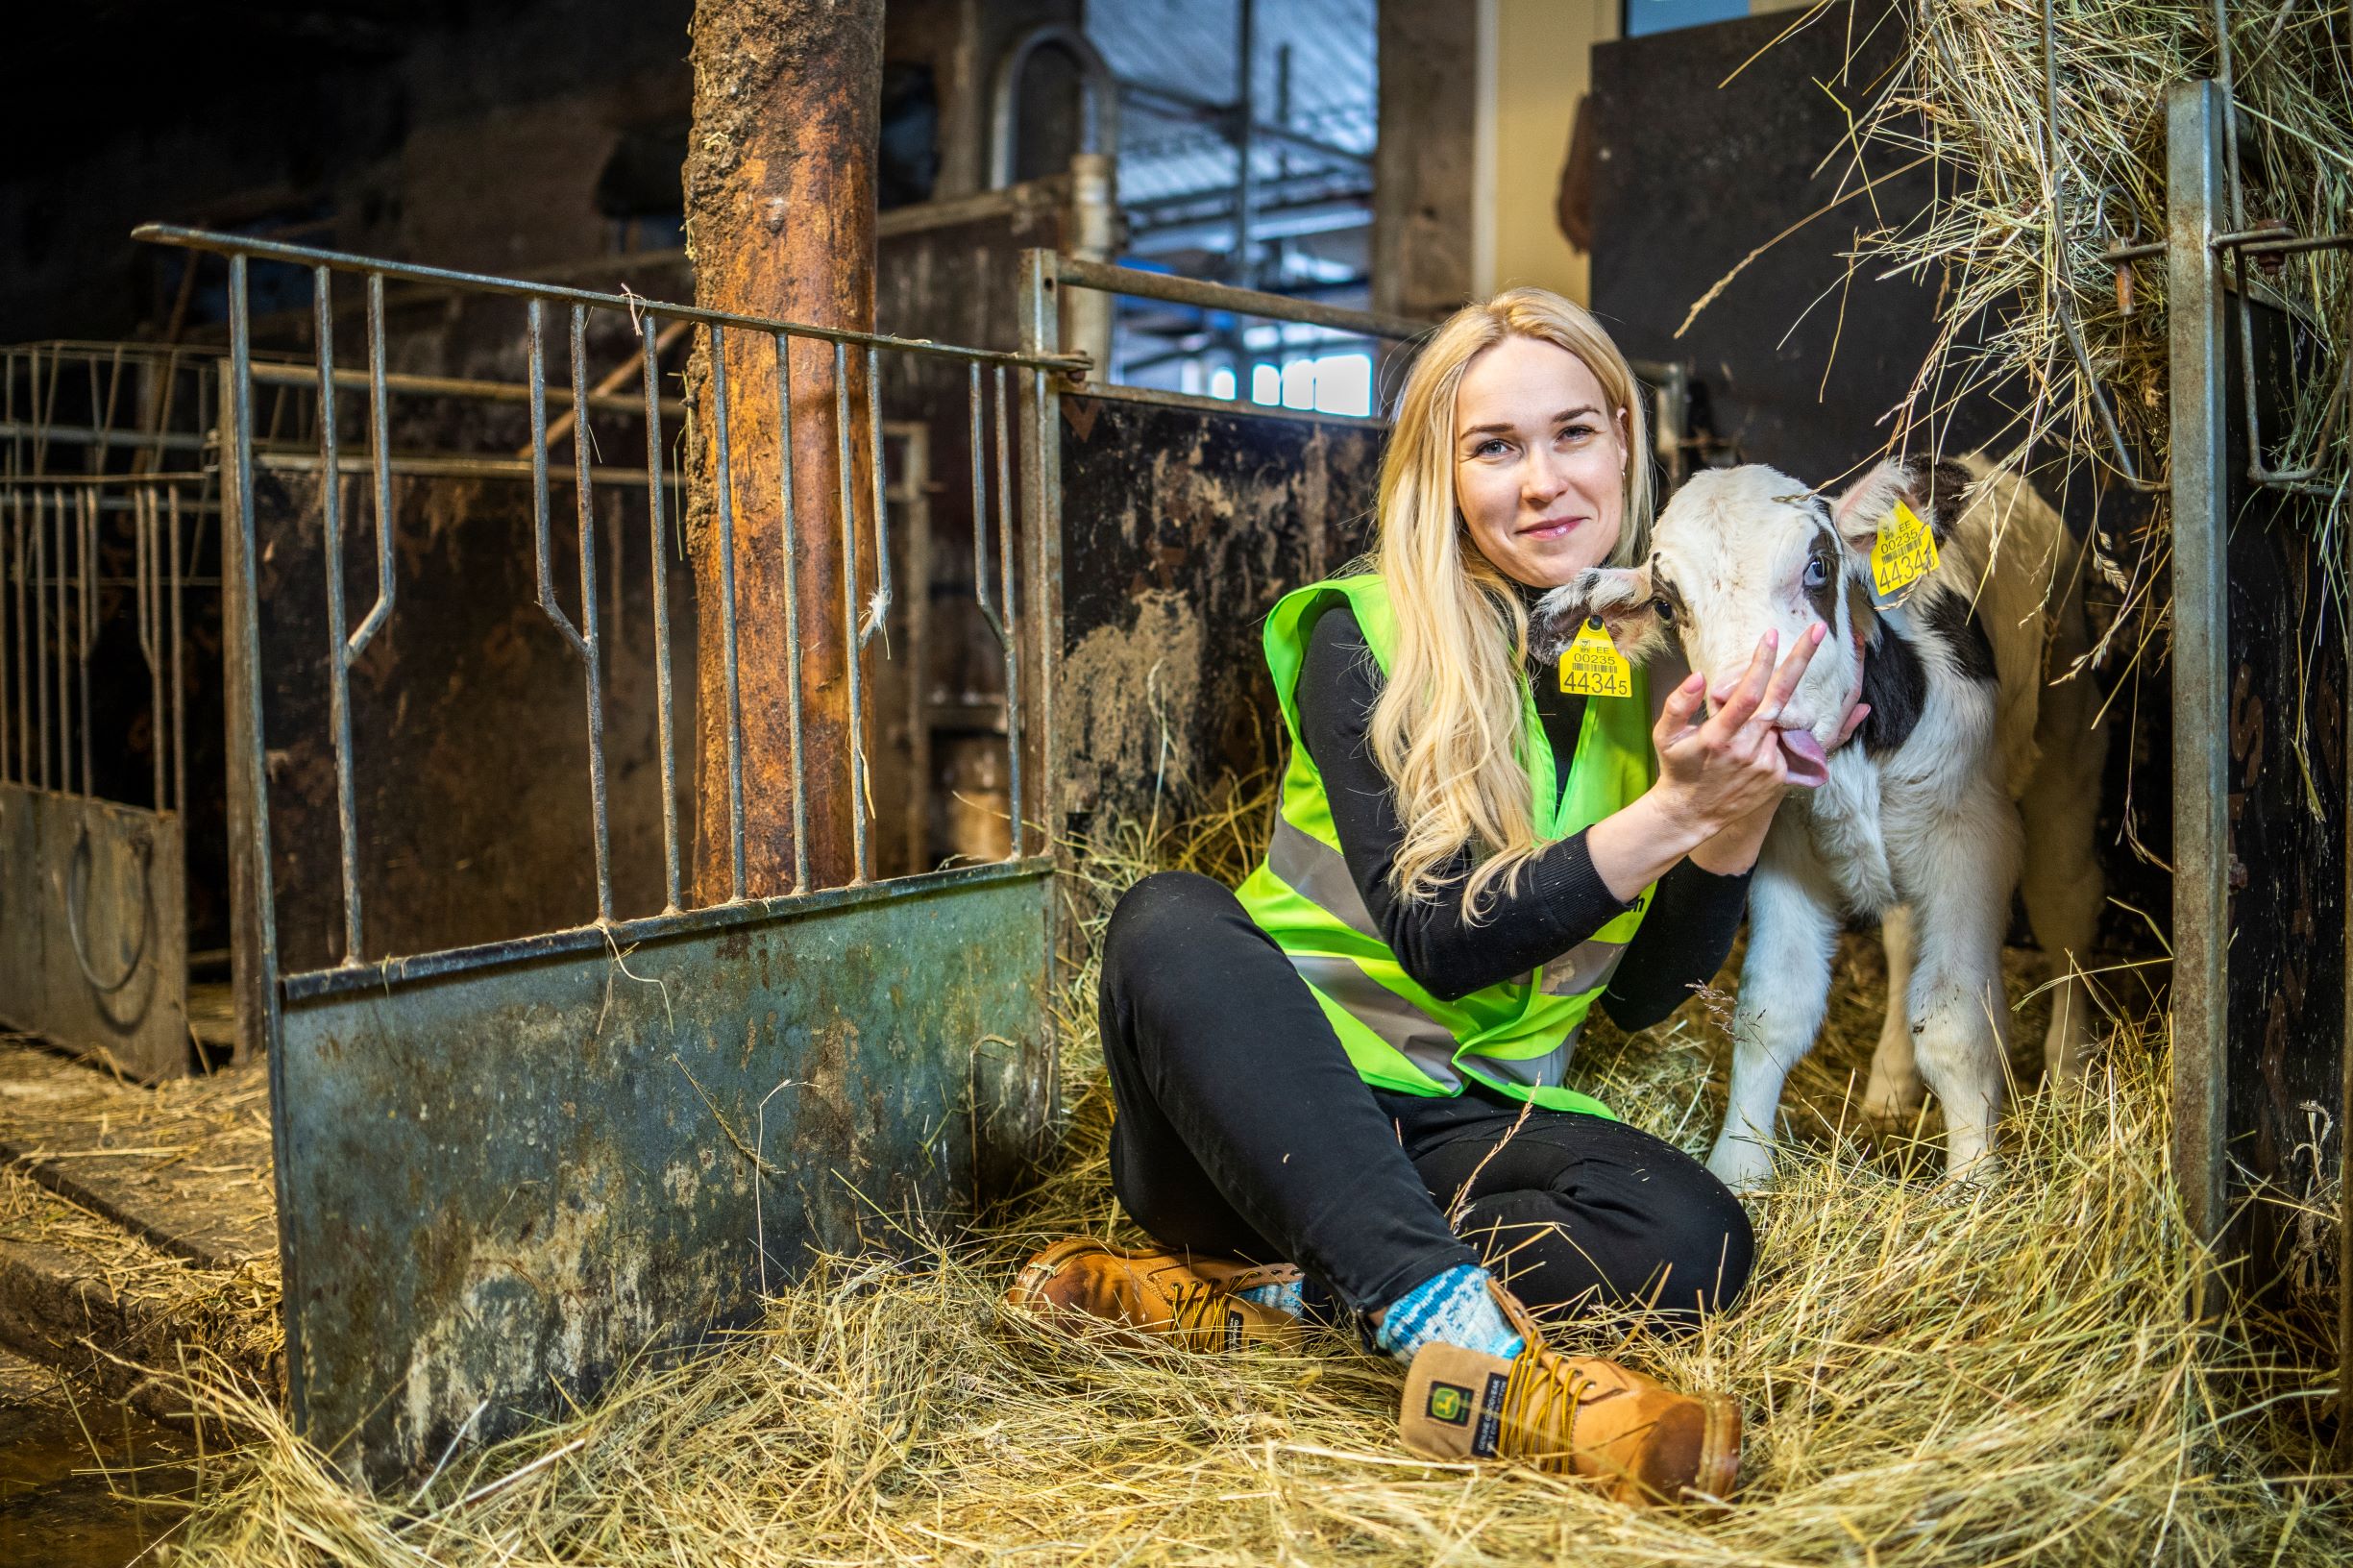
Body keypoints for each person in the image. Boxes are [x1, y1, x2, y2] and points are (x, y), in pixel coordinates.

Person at [1009, 288, 1854, 1505]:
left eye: (1573, 433)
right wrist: (1672, 814)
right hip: (1259, 1124)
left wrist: (1739, 809)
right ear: (1441, 475)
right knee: (1166, 920)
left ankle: (1267, 1306)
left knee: (1696, 1235)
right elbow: (1438, 938)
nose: (1543, 482)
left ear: (1624, 439)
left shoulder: (1648, 664)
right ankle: (1486, 1365)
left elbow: (1640, 1000)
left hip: (1459, 1133)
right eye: (1494, 448)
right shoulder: (1366, 636)